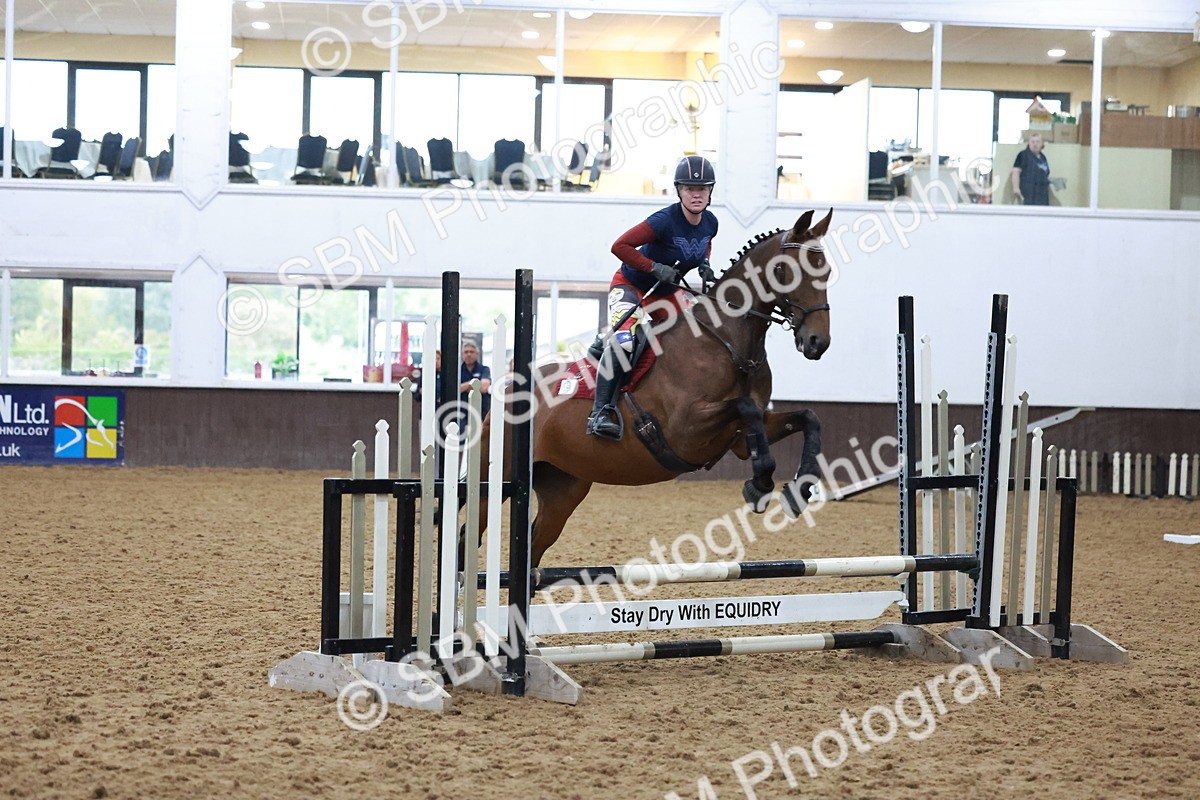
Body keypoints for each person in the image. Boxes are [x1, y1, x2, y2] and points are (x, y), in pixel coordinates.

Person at [585, 154, 719, 440]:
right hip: (631, 286)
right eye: (689, 188)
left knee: (693, 333)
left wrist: (705, 265)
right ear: (679, 191)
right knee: (626, 341)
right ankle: (599, 413)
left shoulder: (711, 223)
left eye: (703, 189)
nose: (696, 194)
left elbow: (704, 246)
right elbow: (619, 246)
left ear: (710, 192)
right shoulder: (663, 221)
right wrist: (652, 267)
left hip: (666, 293)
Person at [1011, 133, 1051, 206]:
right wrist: (1016, 188)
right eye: (1033, 142)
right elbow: (1016, 171)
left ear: (1042, 144)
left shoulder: (1043, 158)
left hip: (1043, 194)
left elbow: (1046, 174)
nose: (1035, 144)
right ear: (1029, 143)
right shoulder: (1023, 155)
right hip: (1029, 193)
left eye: (1038, 142)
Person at [459, 341, 492, 421]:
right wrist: (475, 384)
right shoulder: (458, 370)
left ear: (477, 354)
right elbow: (456, 389)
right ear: (462, 354)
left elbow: (484, 387)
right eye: (466, 352)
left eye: (471, 352)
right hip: (461, 413)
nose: (469, 354)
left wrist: (465, 387)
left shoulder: (484, 369)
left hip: (481, 412)